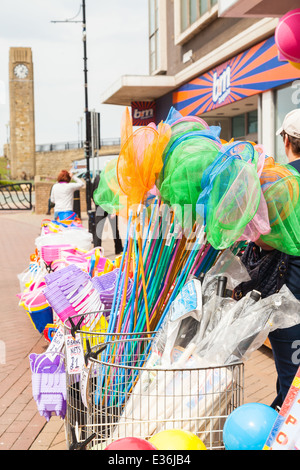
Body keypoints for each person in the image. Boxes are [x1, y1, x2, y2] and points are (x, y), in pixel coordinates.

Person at [257, 109, 300, 410]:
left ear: (287, 141)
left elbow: (266, 242)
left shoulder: (279, 182)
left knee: (291, 376)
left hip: (292, 294)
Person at [92, 172, 123, 255]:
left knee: (98, 229)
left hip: (101, 206)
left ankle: (97, 251)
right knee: (114, 229)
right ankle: (118, 249)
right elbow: (116, 193)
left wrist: (97, 204)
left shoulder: (98, 177)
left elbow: (93, 191)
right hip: (111, 206)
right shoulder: (113, 178)